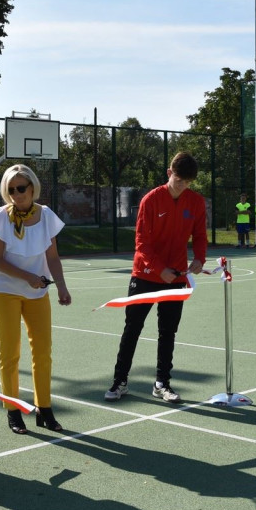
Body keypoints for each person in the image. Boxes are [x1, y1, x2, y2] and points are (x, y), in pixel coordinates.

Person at [105, 152, 207, 404]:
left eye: (187, 182)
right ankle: (120, 382)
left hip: (176, 278)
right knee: (132, 329)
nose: (182, 185)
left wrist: (199, 259)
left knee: (168, 332)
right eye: (179, 179)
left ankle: (162, 383)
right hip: (146, 275)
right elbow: (142, 242)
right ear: (169, 173)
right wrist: (159, 268)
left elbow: (201, 235)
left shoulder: (195, 202)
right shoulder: (151, 200)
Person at [0, 164, 72, 435]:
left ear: (33, 188)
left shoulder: (46, 216)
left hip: (37, 291)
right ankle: (13, 411)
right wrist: (28, 277)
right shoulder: (0, 216)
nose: (16, 194)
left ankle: (44, 409)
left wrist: (62, 288)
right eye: (11, 190)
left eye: (21, 188)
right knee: (10, 352)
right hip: (3, 289)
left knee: (43, 351)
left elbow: (52, 257)